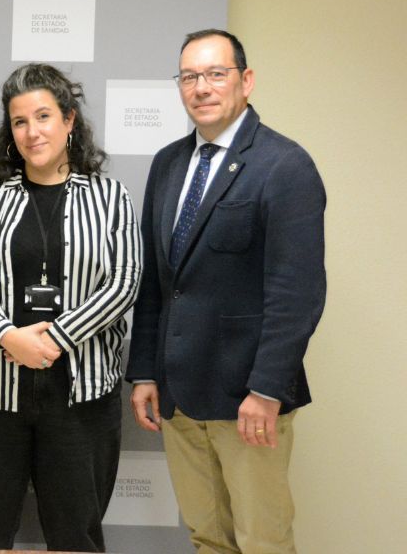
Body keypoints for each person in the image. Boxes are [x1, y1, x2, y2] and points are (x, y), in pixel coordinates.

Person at [127, 29, 326, 553]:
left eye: (216, 74)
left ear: (246, 81)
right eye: (189, 76)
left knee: (262, 541)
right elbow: (156, 280)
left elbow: (296, 293)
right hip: (179, 395)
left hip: (248, 401)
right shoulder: (168, 163)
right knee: (207, 537)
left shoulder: (285, 166)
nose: (202, 88)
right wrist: (146, 370)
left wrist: (266, 389)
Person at [0, 64, 141, 551]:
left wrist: (57, 337)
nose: (32, 132)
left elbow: (123, 283)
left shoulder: (109, 196)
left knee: (76, 536)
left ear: (69, 120)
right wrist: (7, 336)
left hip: (81, 398)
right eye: (19, 121)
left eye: (43, 116)